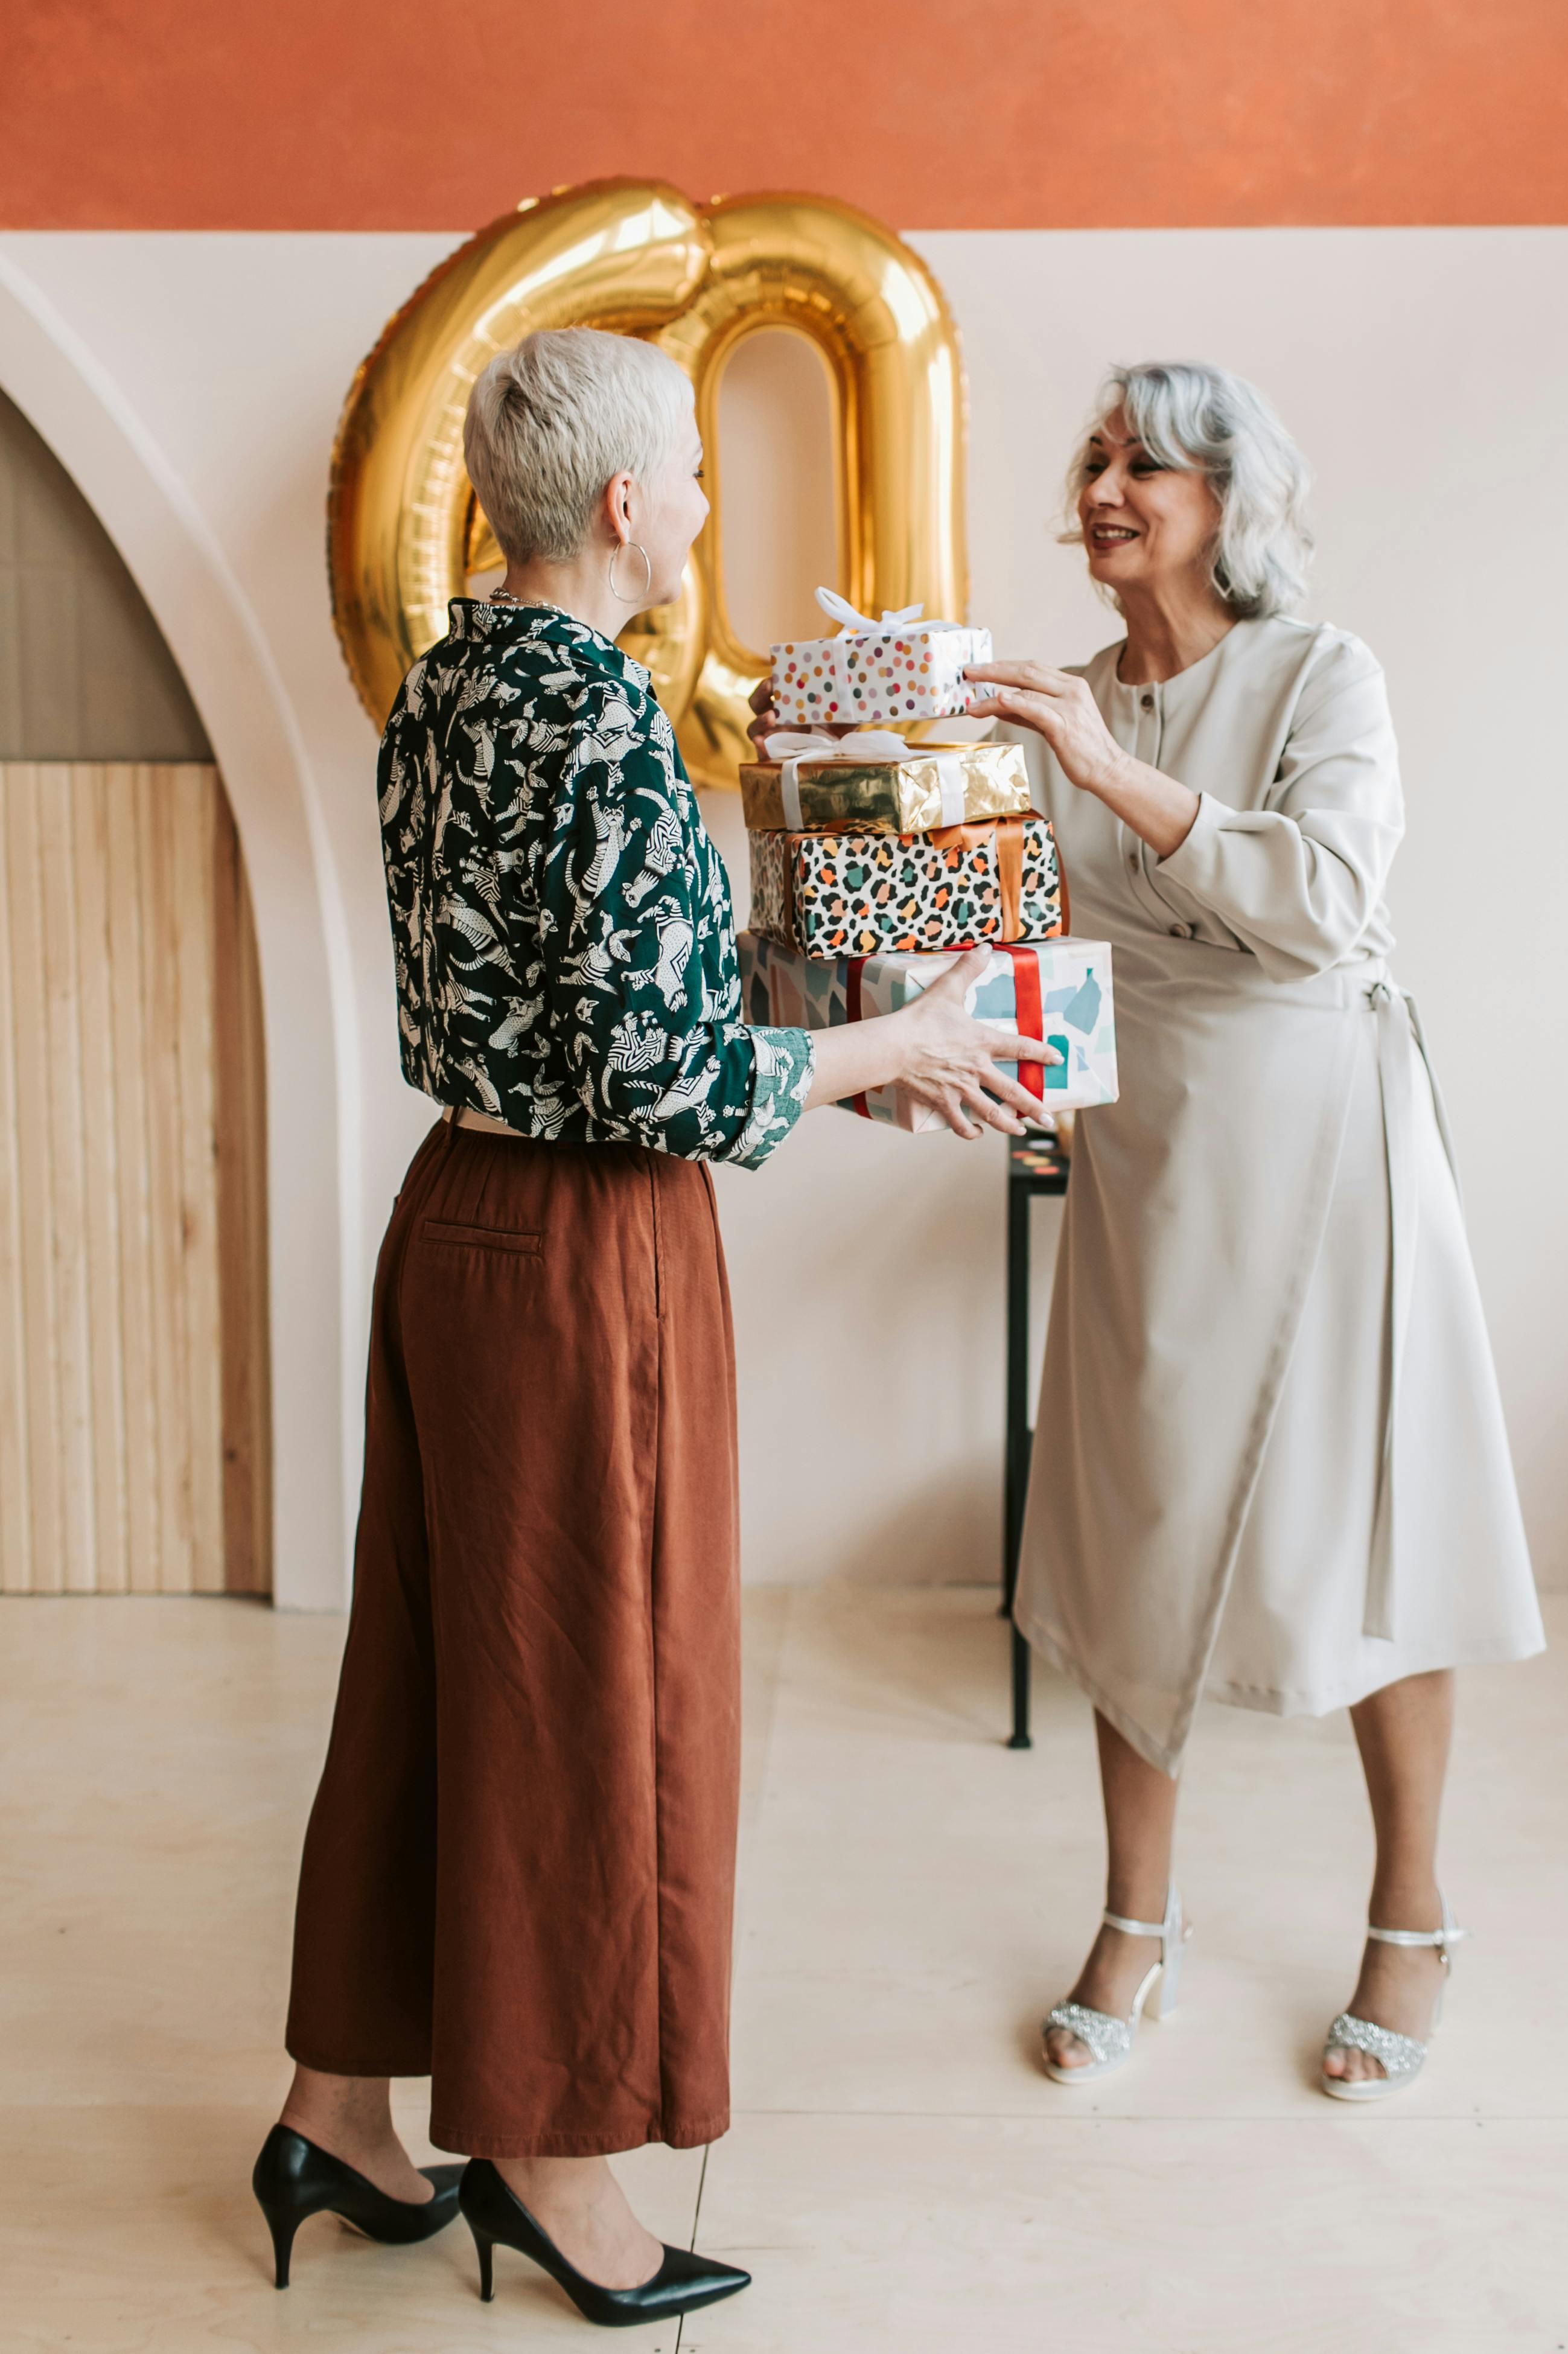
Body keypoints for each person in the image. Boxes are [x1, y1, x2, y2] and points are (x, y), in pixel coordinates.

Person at [251, 327, 1056, 2323]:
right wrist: (912, 1031)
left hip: (454, 1216)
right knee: (584, 1705)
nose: (703, 506)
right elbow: (661, 1076)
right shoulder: (597, 714)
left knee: (434, 1674)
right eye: (691, 474)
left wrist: (849, 996)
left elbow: (611, 1006)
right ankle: (551, 2161)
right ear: (626, 507)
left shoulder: (449, 687)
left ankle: (337, 2109)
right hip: (585, 1247)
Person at [975, 361, 1543, 2100]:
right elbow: (1040, 933)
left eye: (1145, 457)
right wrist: (984, 1061)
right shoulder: (1057, 697)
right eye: (1093, 452)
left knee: (1376, 1530)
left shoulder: (1320, 673)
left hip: (1324, 1146)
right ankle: (1135, 1920)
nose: (1105, 481)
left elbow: (1325, 901)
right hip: (1143, 1153)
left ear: (1229, 499)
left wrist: (1095, 765)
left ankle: (1413, 1917)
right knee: (1125, 1527)